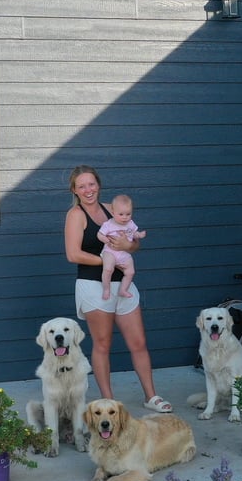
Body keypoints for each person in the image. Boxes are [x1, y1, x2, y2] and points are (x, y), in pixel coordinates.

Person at [64, 165, 172, 411]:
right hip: (94, 286)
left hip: (123, 284)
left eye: (91, 184)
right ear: (74, 190)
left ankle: (151, 396)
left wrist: (127, 246)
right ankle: (108, 402)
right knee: (103, 345)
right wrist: (107, 261)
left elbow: (133, 245)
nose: (88, 190)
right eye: (82, 186)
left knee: (138, 342)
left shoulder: (112, 209)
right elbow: (73, 254)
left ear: (99, 185)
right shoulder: (76, 215)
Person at [97, 194, 146, 300]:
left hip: (123, 253)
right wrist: (105, 239)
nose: (125, 217)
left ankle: (123, 290)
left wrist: (139, 235)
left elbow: (134, 233)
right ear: (113, 212)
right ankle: (106, 289)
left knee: (130, 272)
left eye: (128, 214)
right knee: (108, 269)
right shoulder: (108, 224)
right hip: (110, 251)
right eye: (121, 214)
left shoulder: (130, 224)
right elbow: (99, 234)